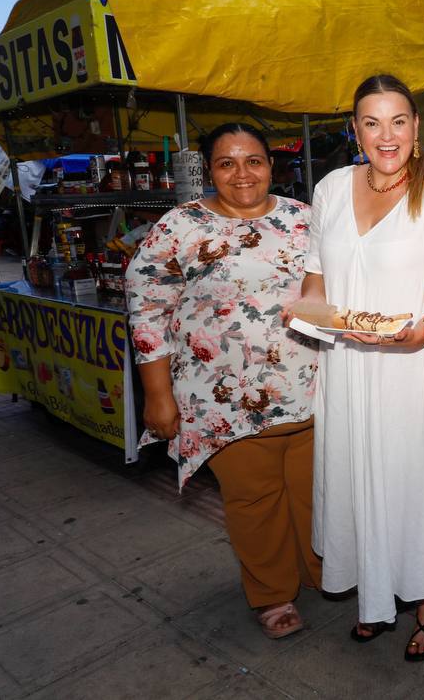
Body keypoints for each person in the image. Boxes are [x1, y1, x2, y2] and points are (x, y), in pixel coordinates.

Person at [127, 123, 321, 640]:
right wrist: (157, 395)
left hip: (312, 392)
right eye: (226, 163)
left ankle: (323, 572)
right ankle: (272, 593)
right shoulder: (180, 226)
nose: (242, 174)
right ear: (209, 171)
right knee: (254, 501)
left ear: (272, 166)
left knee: (317, 496)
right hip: (225, 402)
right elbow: (146, 311)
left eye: (253, 161)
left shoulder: (305, 219)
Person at [300, 74, 424, 663]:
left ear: (416, 127)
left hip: (412, 370)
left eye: (398, 121)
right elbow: (315, 278)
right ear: (355, 130)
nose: (386, 135)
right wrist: (311, 313)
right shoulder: (330, 188)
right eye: (372, 123)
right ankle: (374, 597)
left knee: (414, 485)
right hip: (347, 365)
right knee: (355, 479)